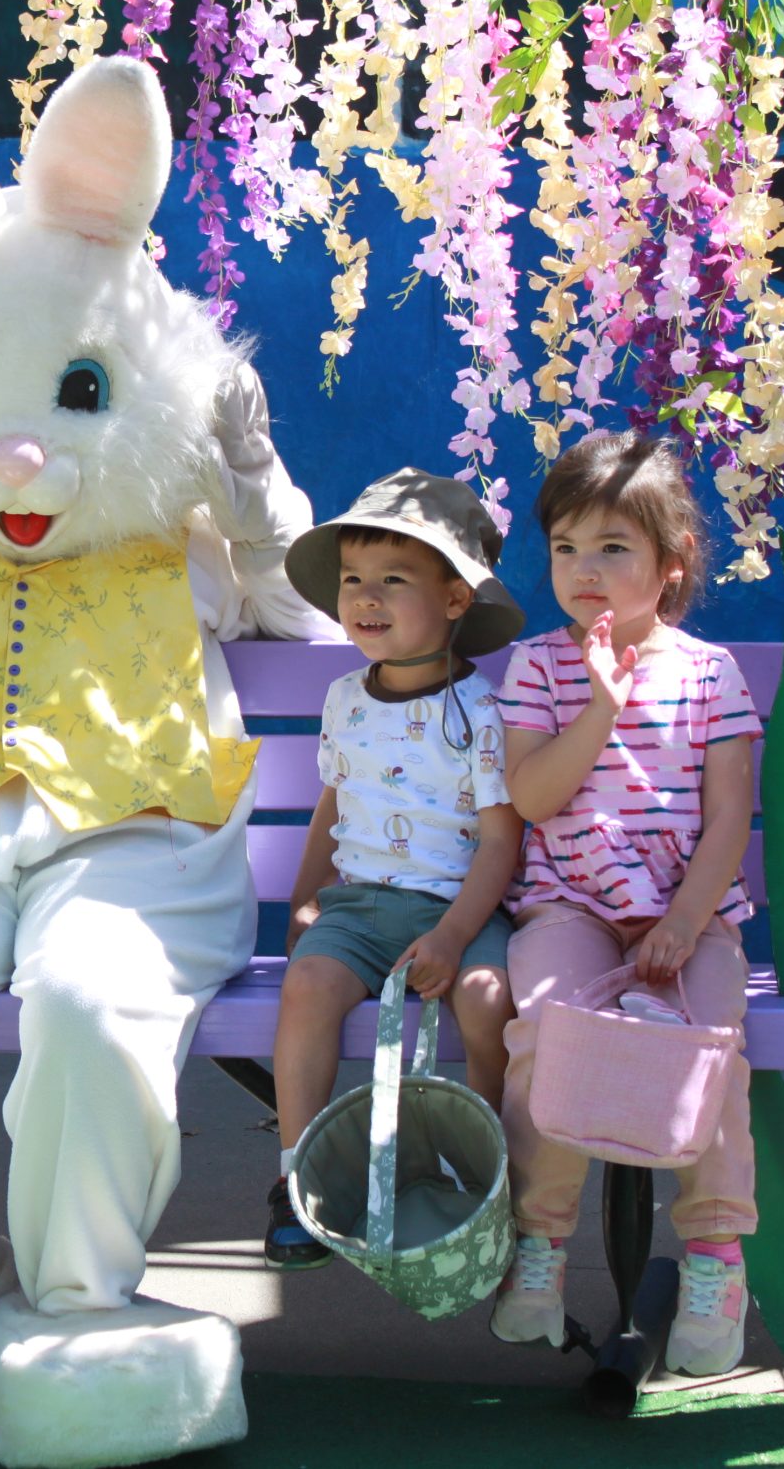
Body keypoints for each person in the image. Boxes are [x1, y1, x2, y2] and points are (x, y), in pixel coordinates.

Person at [488, 432, 764, 1377]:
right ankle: (539, 1242)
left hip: (689, 915)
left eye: (612, 548)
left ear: (671, 561)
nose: (584, 570)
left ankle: (715, 1258)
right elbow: (532, 799)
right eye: (566, 547)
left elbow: (729, 815)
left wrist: (685, 922)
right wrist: (601, 705)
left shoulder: (710, 674)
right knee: (549, 1032)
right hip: (570, 906)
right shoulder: (538, 667)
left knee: (711, 1049)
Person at [262, 469, 528, 1268]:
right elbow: (333, 801)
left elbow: (501, 841)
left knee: (487, 1000)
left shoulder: (484, 712)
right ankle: (299, 1176)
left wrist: (452, 935)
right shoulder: (344, 697)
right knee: (307, 985)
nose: (365, 598)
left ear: (455, 599)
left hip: (461, 912)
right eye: (352, 580)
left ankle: (484, 1170)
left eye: (393, 580)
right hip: (360, 911)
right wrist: (305, 896)